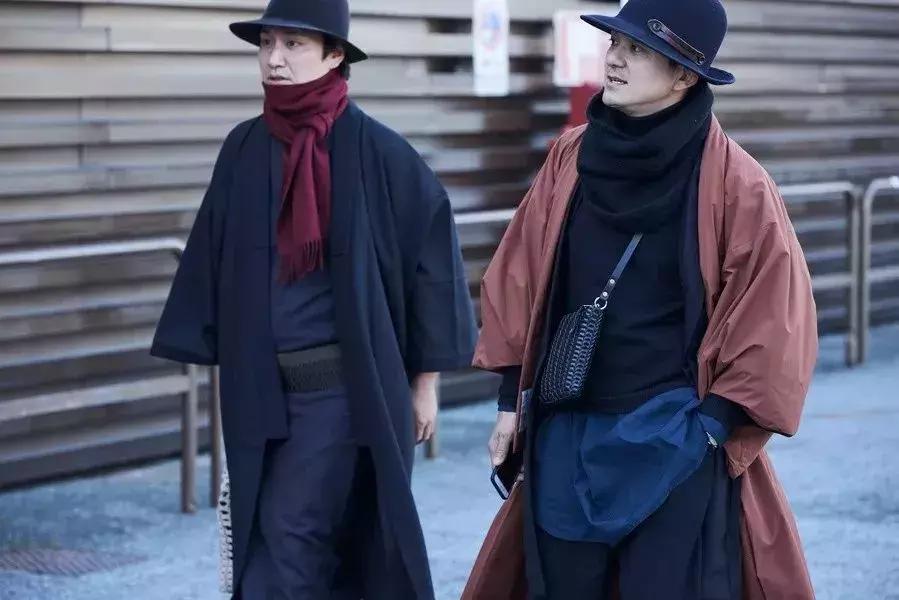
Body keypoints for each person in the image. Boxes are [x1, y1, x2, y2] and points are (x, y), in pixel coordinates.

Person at [469, 0, 818, 598]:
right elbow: (520, 273)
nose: (615, 59)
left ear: (684, 74)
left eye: (638, 49)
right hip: (565, 433)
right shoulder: (570, 157)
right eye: (616, 43)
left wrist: (709, 430)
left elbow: (774, 314)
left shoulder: (737, 182)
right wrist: (510, 402)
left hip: (671, 439)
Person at [150, 0, 477, 597]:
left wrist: (425, 382)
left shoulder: (378, 152)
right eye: (266, 43)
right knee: (265, 540)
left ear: (334, 55)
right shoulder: (244, 148)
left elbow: (431, 261)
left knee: (289, 537)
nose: (274, 59)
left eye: (293, 44)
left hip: (342, 391)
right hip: (258, 388)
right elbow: (212, 256)